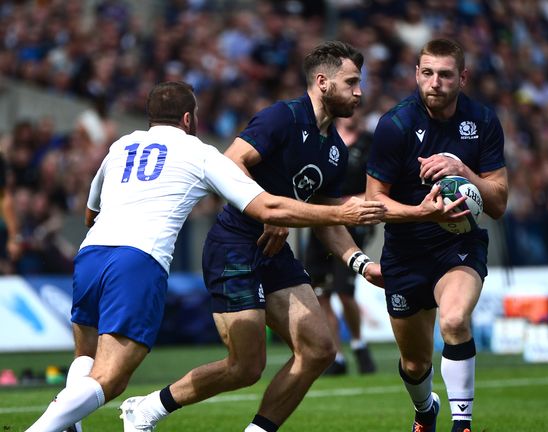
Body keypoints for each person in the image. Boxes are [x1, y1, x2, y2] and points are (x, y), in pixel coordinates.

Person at [120, 42, 460, 432]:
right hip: (234, 247)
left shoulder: (334, 149)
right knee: (246, 367)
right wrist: (266, 207)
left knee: (319, 349)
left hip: (276, 255)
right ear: (322, 82)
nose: (359, 92)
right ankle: (145, 410)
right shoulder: (281, 118)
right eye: (351, 82)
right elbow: (230, 162)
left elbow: (328, 218)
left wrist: (360, 263)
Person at [23, 81, 386, 432]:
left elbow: (90, 211)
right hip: (138, 260)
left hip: (91, 255)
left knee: (86, 359)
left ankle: (72, 427)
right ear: (187, 119)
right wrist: (343, 214)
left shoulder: (123, 144)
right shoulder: (199, 152)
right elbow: (265, 207)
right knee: (111, 379)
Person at [366, 39, 508, 432]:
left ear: (462, 77)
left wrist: (463, 170)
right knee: (415, 364)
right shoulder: (395, 125)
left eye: (445, 74)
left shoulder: (482, 122)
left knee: (455, 320)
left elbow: (498, 203)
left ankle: (462, 424)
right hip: (406, 252)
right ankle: (425, 409)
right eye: (427, 73)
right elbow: (374, 202)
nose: (435, 82)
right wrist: (422, 212)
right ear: (416, 74)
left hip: (459, 245)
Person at [303, 114, 377, 376]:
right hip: (321, 221)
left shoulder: (369, 143)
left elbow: (378, 188)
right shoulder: (323, 141)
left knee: (345, 291)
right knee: (320, 291)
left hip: (353, 223)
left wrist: (350, 203)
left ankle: (358, 343)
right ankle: (337, 356)